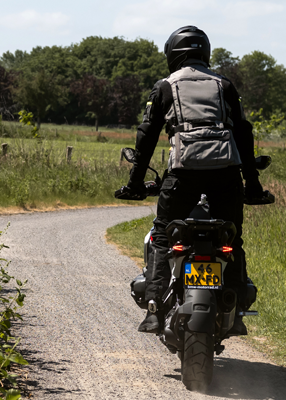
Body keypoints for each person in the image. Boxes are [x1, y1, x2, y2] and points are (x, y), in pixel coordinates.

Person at [114, 25, 268, 335]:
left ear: (172, 54)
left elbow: (146, 138)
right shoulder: (224, 85)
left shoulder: (165, 87)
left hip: (182, 176)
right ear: (205, 53)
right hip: (226, 176)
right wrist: (253, 185)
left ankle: (155, 309)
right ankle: (235, 311)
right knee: (231, 238)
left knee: (161, 235)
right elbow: (243, 133)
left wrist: (134, 183)